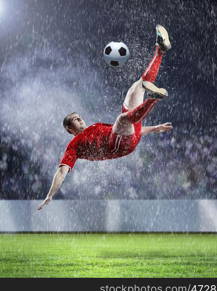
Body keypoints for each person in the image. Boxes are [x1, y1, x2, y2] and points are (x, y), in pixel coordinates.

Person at [38, 25, 173, 210]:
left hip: (128, 136)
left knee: (138, 86)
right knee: (122, 119)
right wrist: (50, 195)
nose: (80, 119)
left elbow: (131, 130)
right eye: (75, 120)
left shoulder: (95, 127)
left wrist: (154, 129)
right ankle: (153, 99)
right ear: (70, 129)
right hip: (118, 146)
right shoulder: (74, 145)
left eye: (79, 116)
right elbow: (62, 171)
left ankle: (160, 51)